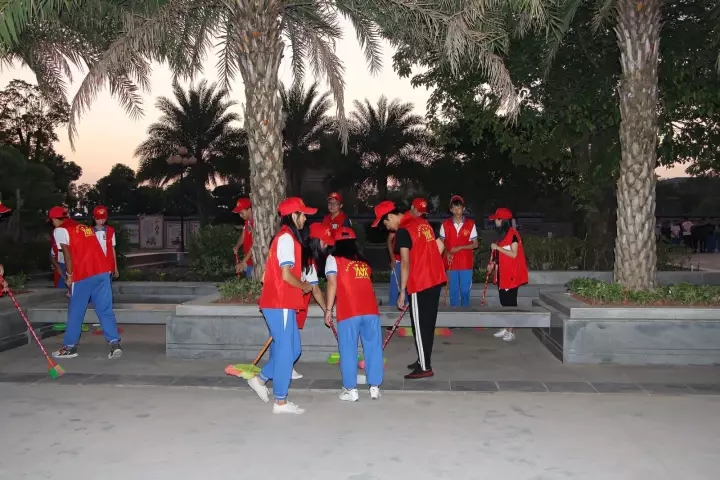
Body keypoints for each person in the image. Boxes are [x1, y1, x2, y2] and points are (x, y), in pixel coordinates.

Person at [247, 197, 316, 414]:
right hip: (280, 302)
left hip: (282, 303)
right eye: (303, 214)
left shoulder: (285, 238)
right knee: (286, 351)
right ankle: (280, 401)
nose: (305, 219)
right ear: (294, 215)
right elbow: (286, 275)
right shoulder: (286, 238)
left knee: (293, 349)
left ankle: (260, 379)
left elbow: (267, 275)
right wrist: (304, 286)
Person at [373, 200, 446, 379]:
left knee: (419, 326)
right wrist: (428, 262)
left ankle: (425, 367)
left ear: (391, 216)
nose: (387, 227)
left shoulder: (403, 230)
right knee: (428, 324)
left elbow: (405, 262)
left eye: (385, 223)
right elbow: (440, 246)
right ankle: (423, 359)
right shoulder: (422, 222)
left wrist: (402, 291)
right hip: (435, 279)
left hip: (420, 282)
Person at [49, 206, 123, 359]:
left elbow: (67, 255)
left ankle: (70, 347)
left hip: (83, 274)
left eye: (52, 221)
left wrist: (69, 275)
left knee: (76, 311)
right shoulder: (83, 227)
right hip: (103, 271)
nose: (53, 224)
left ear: (55, 219)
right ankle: (114, 344)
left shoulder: (60, 230)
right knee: (105, 309)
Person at [324, 226, 382, 401]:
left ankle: (351, 390)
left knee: (348, 349)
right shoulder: (364, 261)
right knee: (373, 348)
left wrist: (328, 309)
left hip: (349, 310)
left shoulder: (333, 259)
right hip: (371, 309)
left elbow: (332, 283)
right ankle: (374, 387)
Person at [291, 222, 332, 380]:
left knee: (284, 341)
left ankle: (283, 368)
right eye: (324, 242)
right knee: (293, 346)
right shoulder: (308, 261)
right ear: (315, 241)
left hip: (288, 304)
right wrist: (327, 310)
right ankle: (280, 370)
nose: (326, 246)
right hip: (291, 306)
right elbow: (315, 290)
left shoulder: (301, 252)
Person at [487, 207, 529, 342]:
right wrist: (493, 264)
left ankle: (511, 330)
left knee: (510, 303)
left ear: (503, 220)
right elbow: (500, 256)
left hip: (512, 275)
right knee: (503, 302)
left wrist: (497, 248)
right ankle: (506, 327)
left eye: (497, 219)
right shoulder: (501, 236)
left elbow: (514, 254)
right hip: (502, 274)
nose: (495, 222)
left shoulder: (513, 235)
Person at [387, 198, 428, 307]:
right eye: (418, 211)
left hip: (412, 262)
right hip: (399, 260)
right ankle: (392, 310)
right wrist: (392, 258)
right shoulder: (402, 221)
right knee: (396, 287)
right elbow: (389, 240)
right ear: (412, 208)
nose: (420, 214)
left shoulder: (422, 223)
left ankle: (407, 307)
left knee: (408, 288)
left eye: (423, 212)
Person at [439, 195, 478, 307]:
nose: (457, 211)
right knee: (453, 291)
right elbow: (441, 243)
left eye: (459, 208)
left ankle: (465, 313)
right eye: (454, 208)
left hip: (466, 263)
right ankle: (454, 314)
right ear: (451, 209)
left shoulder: (471, 224)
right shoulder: (445, 224)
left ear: (463, 209)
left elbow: (475, 244)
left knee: (465, 291)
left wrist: (460, 247)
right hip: (451, 263)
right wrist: (446, 253)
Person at [92, 205, 119, 279]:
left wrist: (115, 267)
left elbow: (112, 249)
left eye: (103, 218)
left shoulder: (110, 231)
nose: (101, 221)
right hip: (94, 267)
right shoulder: (89, 232)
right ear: (94, 218)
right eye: (98, 218)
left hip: (107, 266)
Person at [232, 198, 254, 278]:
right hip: (248, 262)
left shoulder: (256, 223)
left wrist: (243, 262)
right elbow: (243, 236)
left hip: (255, 264)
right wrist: (237, 246)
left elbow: (255, 245)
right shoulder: (247, 222)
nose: (240, 216)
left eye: (242, 213)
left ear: (249, 210)